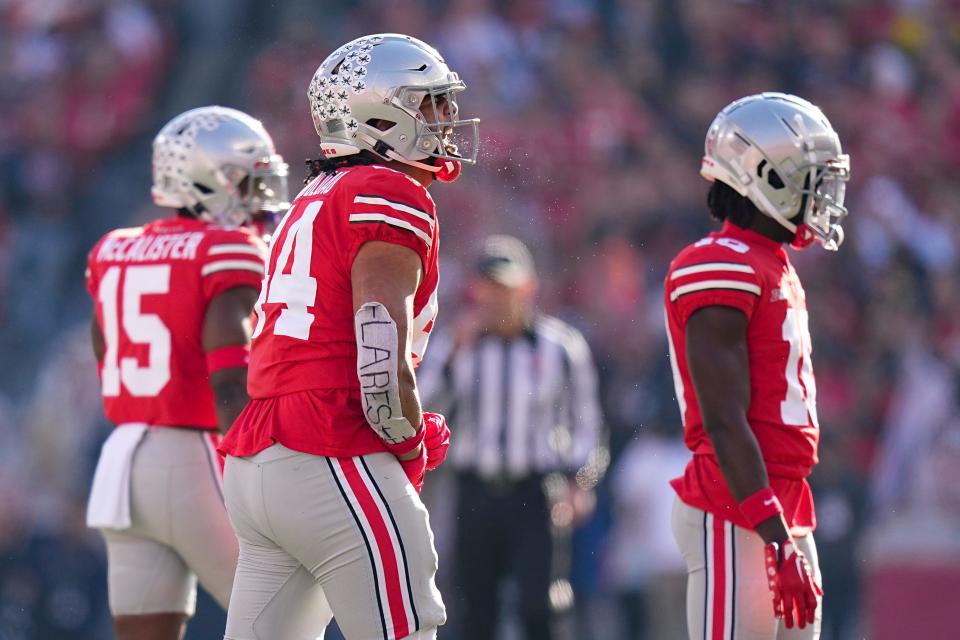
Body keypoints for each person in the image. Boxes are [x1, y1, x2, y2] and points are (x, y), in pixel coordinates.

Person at [217, 33, 479, 640]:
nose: (445, 119)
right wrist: (409, 442)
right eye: (429, 102)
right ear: (380, 114)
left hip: (259, 461)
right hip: (331, 447)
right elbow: (379, 350)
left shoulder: (315, 193)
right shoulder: (388, 190)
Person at [84, 106, 289, 640]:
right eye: (249, 179)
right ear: (209, 180)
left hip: (122, 461)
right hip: (194, 453)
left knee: (144, 632)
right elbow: (228, 376)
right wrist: (262, 471)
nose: (260, 194)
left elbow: (104, 347)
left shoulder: (114, 248)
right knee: (283, 620)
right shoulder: (227, 249)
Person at [664, 92, 851, 640]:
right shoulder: (718, 263)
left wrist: (781, 529)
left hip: (780, 502)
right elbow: (724, 419)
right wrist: (771, 532)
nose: (822, 193)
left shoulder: (771, 264)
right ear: (764, 175)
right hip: (736, 503)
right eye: (811, 176)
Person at [417, 235, 604, 640]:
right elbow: (423, 409)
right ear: (475, 289)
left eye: (505, 286)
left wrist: (580, 481)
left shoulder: (562, 347)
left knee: (541, 606)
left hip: (535, 492)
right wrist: (452, 357)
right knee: (473, 610)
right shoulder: (455, 343)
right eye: (488, 285)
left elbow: (587, 424)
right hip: (474, 492)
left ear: (528, 287)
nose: (497, 297)